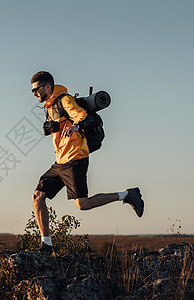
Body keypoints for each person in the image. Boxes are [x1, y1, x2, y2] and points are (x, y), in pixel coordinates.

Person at [31, 71, 144, 254]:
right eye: (33, 91)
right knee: (38, 196)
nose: (35, 93)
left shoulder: (64, 100)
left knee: (82, 204)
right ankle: (46, 245)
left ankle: (127, 195)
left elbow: (82, 115)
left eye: (36, 89)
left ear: (48, 86)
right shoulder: (50, 107)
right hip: (61, 160)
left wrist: (77, 125)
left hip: (75, 157)